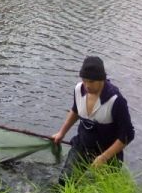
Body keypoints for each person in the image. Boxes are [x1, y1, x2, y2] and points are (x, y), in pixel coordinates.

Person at [52, 56, 135, 185]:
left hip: (108, 154)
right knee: (65, 182)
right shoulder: (79, 90)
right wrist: (61, 133)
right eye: (84, 80)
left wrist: (103, 157)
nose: (87, 85)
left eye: (91, 81)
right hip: (82, 145)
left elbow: (128, 135)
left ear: (101, 79)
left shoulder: (116, 100)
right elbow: (75, 110)